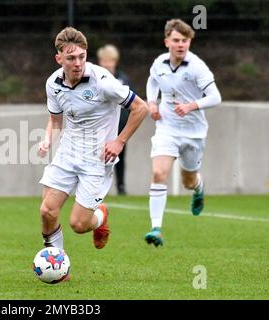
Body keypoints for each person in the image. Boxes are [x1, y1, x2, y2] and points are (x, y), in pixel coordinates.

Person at [37, 27, 148, 252]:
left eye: (81, 56)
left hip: (97, 158)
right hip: (68, 151)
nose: (77, 63)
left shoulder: (103, 81)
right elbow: (55, 121)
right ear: (59, 58)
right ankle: (56, 262)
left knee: (78, 224)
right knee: (47, 211)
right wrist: (48, 138)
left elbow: (141, 108)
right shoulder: (53, 84)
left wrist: (119, 141)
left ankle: (100, 217)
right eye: (71, 58)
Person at [144, 19, 222, 247]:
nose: (180, 45)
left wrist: (192, 105)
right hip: (167, 128)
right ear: (167, 41)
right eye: (176, 40)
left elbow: (216, 97)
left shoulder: (197, 66)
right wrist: (151, 103)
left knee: (188, 181)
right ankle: (156, 228)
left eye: (185, 41)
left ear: (190, 42)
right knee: (159, 172)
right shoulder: (159, 63)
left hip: (194, 133)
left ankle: (198, 187)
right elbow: (152, 81)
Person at [97, 44, 135, 195]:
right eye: (104, 61)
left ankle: (121, 187)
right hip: (100, 127)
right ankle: (96, 189)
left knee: (119, 156)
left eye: (110, 61)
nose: (107, 64)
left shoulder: (123, 80)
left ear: (115, 61)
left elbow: (134, 104)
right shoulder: (95, 79)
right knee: (98, 157)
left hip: (119, 127)